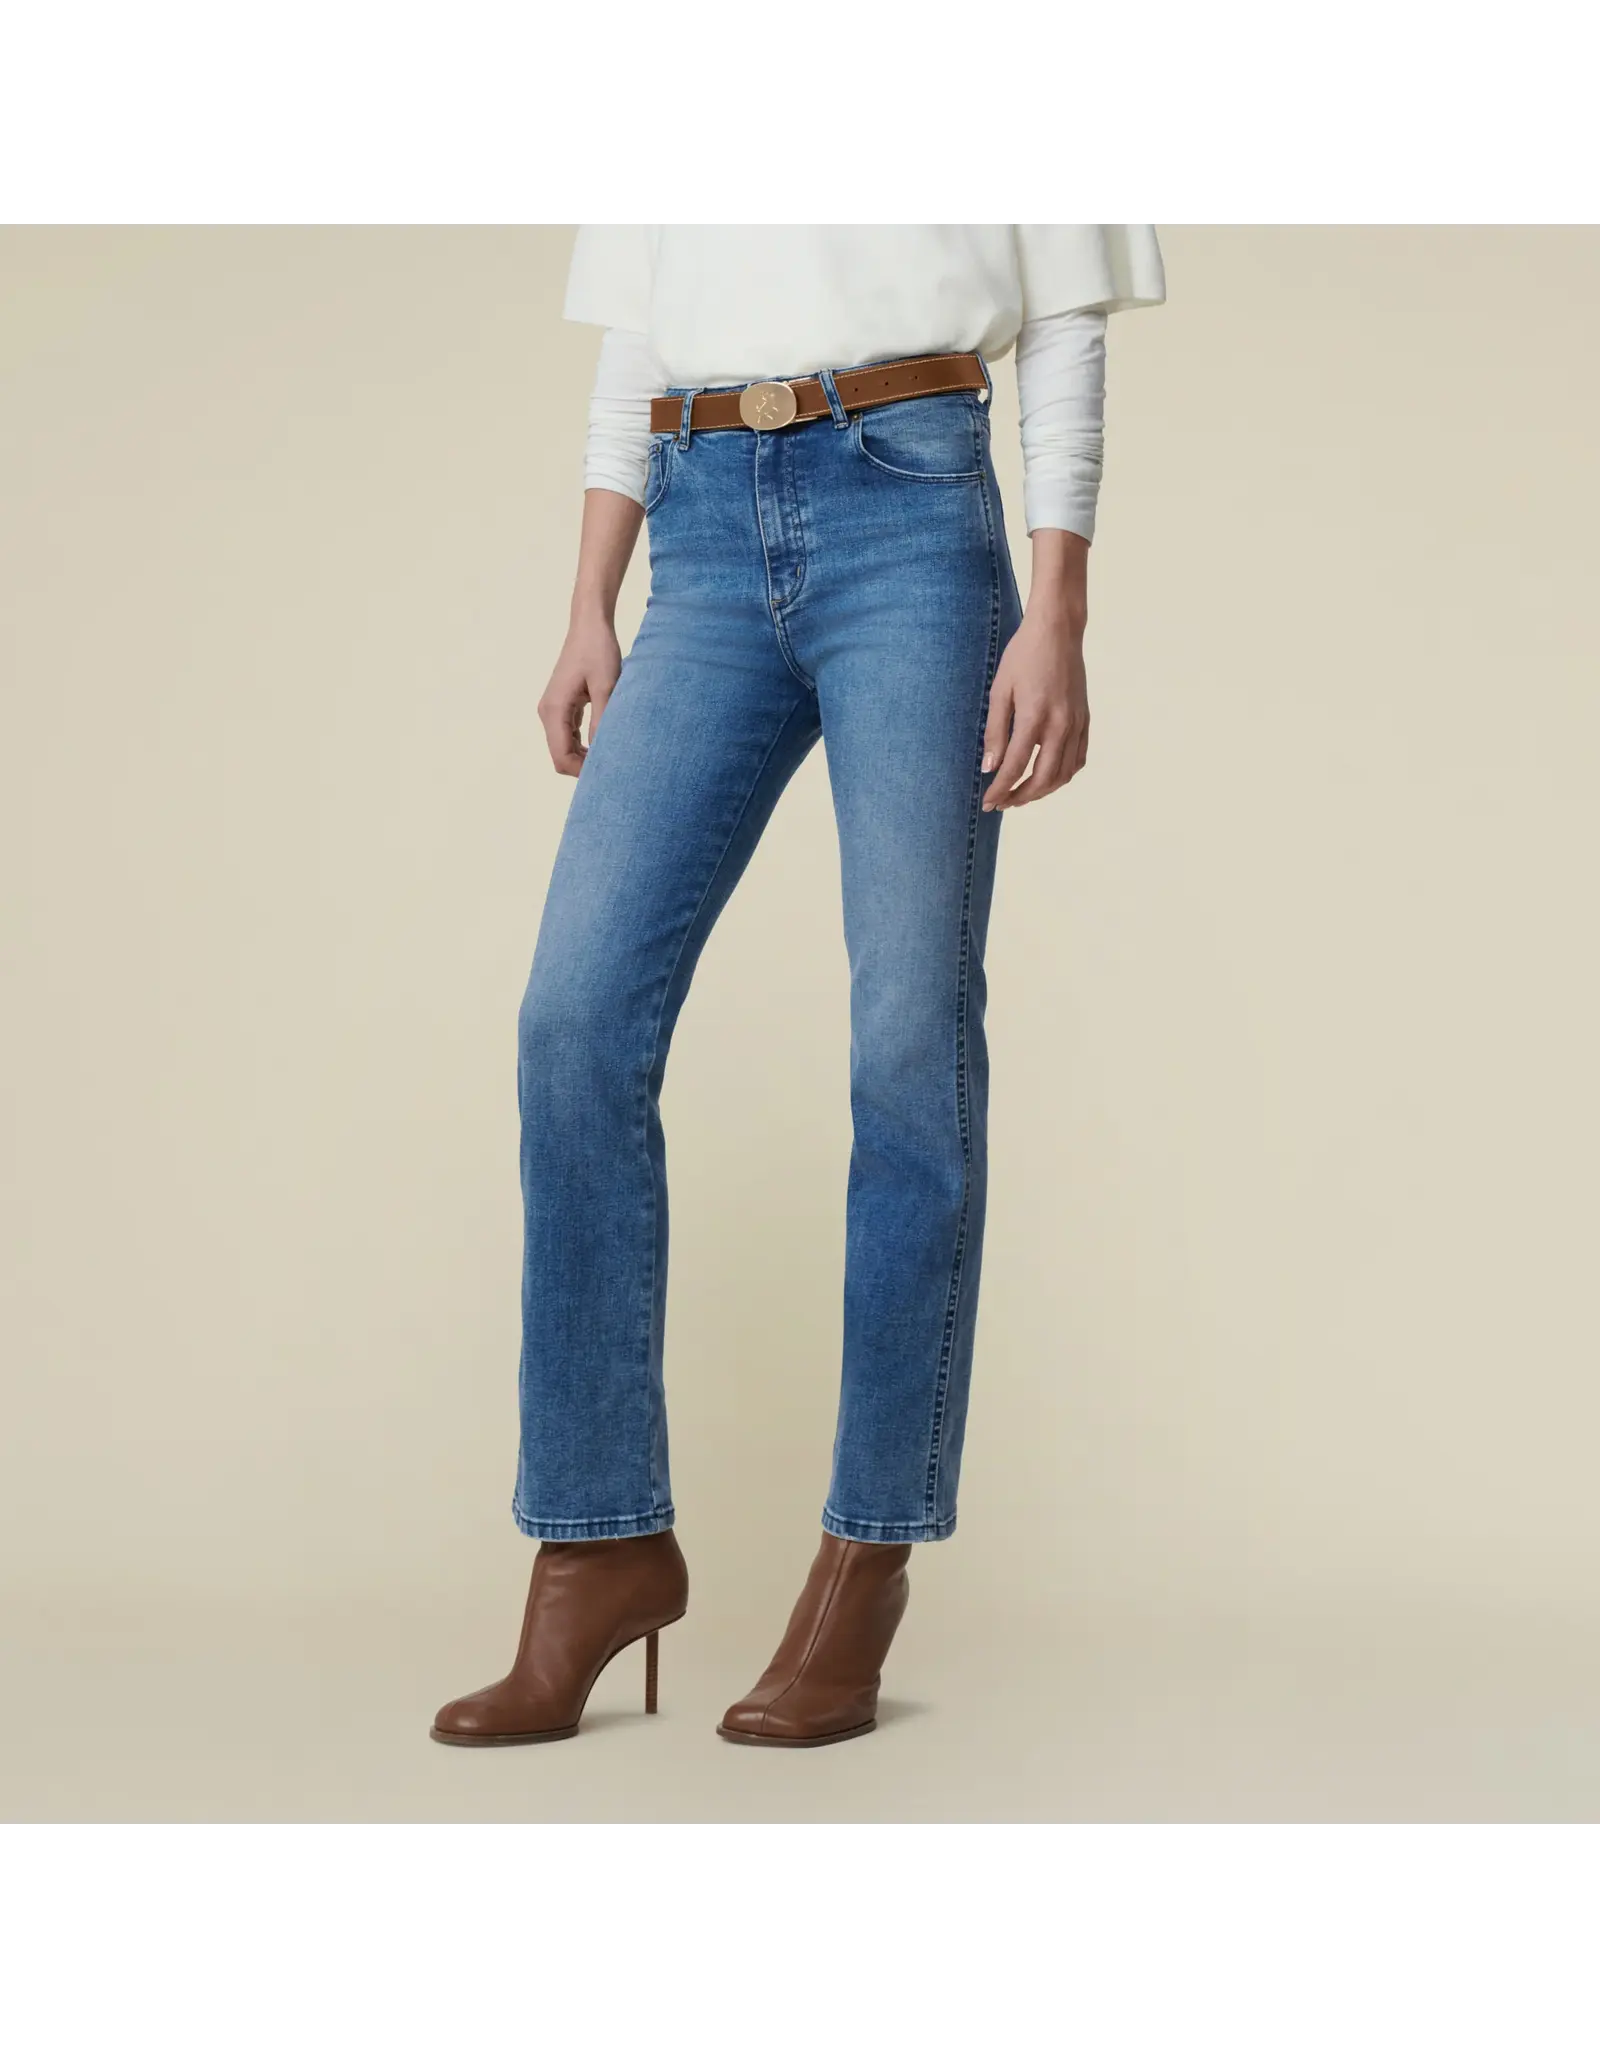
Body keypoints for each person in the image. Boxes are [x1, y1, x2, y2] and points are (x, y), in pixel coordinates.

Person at [432, 224, 1165, 1750]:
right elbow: (636, 336)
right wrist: (589, 600)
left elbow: (1069, 324)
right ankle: (596, 1546)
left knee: (907, 1038)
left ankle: (866, 1558)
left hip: (912, 512)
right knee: (573, 1021)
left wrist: (1058, 609)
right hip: (698, 524)